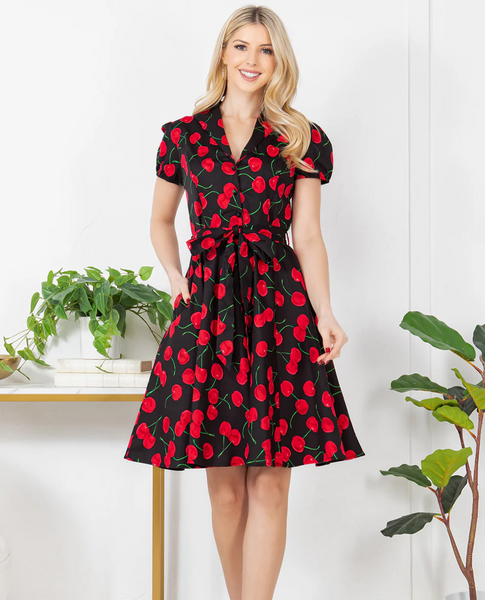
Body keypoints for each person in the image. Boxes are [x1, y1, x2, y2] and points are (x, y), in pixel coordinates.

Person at [124, 4, 365, 599]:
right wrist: (175, 276)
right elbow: (160, 220)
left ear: (279, 61)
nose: (252, 60)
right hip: (207, 310)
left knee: (272, 482)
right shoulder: (183, 136)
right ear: (223, 53)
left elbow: (308, 236)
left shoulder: (301, 137)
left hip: (278, 311)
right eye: (241, 47)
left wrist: (326, 311)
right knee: (226, 488)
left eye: (265, 50)